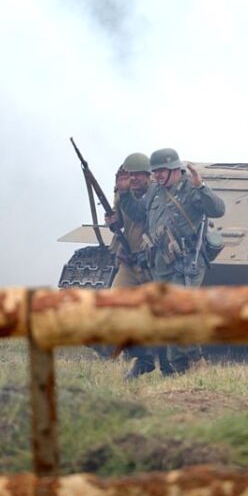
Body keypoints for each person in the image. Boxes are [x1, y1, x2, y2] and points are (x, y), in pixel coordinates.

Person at [141, 147, 226, 375]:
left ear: (174, 169)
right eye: (155, 171)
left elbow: (218, 210)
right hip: (161, 262)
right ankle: (178, 368)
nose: (157, 175)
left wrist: (201, 186)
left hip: (187, 261)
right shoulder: (154, 192)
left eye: (162, 171)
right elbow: (142, 215)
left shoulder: (191, 188)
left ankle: (196, 360)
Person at [104, 152, 157, 379]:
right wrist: (113, 222)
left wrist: (125, 194)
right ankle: (142, 357)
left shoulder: (157, 194)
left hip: (154, 263)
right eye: (129, 174)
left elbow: (139, 213)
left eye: (137, 174)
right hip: (129, 260)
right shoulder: (122, 192)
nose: (133, 178)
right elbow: (123, 221)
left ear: (148, 175)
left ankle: (176, 359)